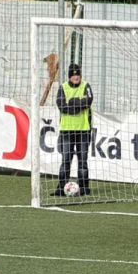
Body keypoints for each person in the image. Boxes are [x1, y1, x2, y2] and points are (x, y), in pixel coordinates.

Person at [55, 62, 93, 197]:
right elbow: (61, 106)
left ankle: (84, 188)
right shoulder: (63, 87)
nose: (76, 77)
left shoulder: (86, 86)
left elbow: (88, 101)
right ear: (69, 76)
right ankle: (61, 188)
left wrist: (72, 102)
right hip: (67, 130)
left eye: (78, 75)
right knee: (66, 160)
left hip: (83, 130)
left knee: (83, 161)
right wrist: (78, 105)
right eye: (73, 75)